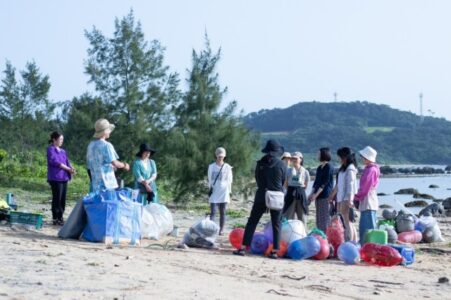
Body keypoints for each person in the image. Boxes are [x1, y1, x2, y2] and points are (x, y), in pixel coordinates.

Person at [233, 140, 287, 259]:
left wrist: (264, 188)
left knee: (252, 221)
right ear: (277, 152)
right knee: (276, 224)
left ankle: (242, 248)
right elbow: (283, 181)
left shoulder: (260, 163)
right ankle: (274, 251)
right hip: (276, 195)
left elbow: (257, 178)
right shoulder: (282, 164)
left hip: (262, 194)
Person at [86, 119, 130, 193]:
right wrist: (125, 165)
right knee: (107, 203)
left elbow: (91, 164)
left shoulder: (91, 145)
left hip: (94, 183)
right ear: (105, 131)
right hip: (106, 183)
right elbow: (115, 163)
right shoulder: (106, 145)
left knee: (96, 203)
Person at [327, 147, 358, 241]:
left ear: (345, 157)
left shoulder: (350, 169)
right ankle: (350, 240)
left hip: (346, 198)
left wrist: (349, 199)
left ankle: (352, 241)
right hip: (341, 198)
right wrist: (331, 196)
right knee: (345, 221)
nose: (339, 159)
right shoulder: (343, 169)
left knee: (348, 222)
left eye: (340, 157)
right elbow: (338, 185)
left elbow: (350, 185)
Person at [47, 131, 76, 225]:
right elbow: (54, 162)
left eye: (62, 139)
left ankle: (61, 217)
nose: (61, 141)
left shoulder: (63, 151)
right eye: (60, 139)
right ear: (54, 139)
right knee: (57, 198)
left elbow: (67, 161)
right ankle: (55, 217)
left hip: (64, 178)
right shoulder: (50, 149)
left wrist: (71, 168)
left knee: (63, 198)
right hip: (55, 178)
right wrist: (67, 168)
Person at [354, 146, 380, 244]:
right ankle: (367, 246)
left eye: (363, 157)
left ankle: (367, 247)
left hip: (368, 201)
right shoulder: (372, 169)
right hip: (369, 200)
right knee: (368, 226)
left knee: (367, 227)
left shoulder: (371, 170)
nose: (362, 159)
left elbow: (365, 188)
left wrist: (356, 197)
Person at [208, 147, 233, 235]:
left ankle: (221, 230)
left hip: (224, 191)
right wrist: (210, 190)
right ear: (216, 156)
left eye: (222, 156)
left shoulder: (227, 167)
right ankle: (211, 230)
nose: (220, 158)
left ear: (224, 156)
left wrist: (229, 192)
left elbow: (230, 180)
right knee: (213, 211)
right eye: (219, 156)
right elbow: (209, 179)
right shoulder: (211, 167)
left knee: (223, 212)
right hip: (214, 191)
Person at [308, 147, 334, 233]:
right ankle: (320, 234)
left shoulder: (329, 167)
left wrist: (315, 195)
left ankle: (326, 236)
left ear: (323, 154)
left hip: (325, 195)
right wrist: (311, 193)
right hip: (318, 196)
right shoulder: (319, 168)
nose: (317, 155)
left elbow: (324, 183)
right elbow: (316, 182)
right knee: (318, 217)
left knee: (325, 217)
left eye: (318, 154)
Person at [283, 151, 310, 225]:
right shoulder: (288, 171)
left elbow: (306, 185)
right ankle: (287, 234)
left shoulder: (305, 172)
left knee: (302, 218)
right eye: (293, 158)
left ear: (301, 159)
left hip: (301, 194)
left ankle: (303, 234)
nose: (294, 160)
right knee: (288, 217)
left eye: (296, 158)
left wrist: (299, 190)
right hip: (290, 193)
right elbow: (285, 184)